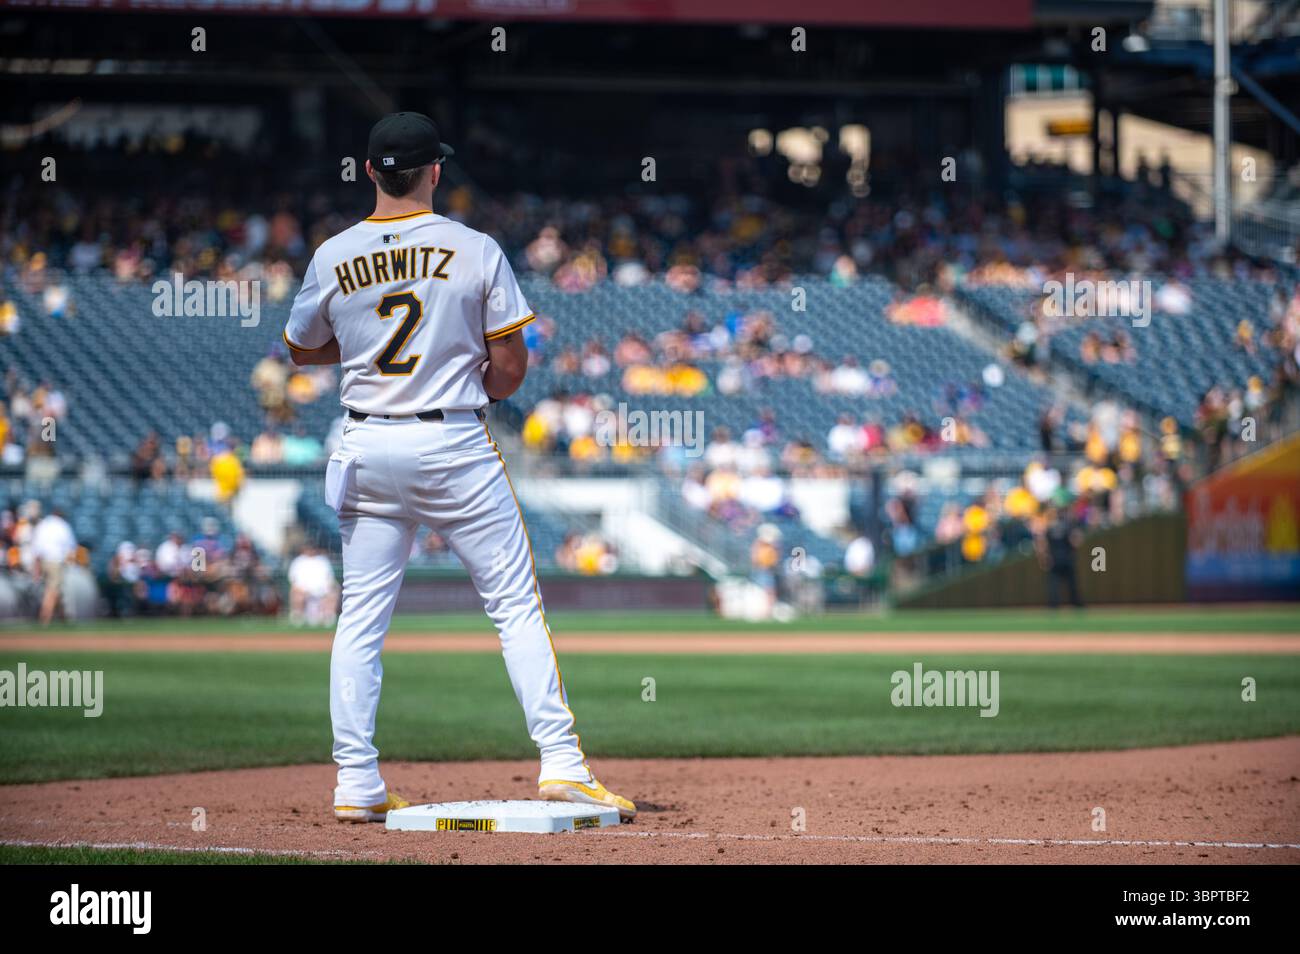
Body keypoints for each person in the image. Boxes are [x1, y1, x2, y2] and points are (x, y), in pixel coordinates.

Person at [283, 112, 634, 823]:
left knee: (361, 621)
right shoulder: (474, 249)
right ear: (435, 171)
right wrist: (465, 361)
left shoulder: (333, 254)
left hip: (365, 442)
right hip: (448, 442)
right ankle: (562, 763)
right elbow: (507, 372)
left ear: (371, 171)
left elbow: (300, 347)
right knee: (512, 605)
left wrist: (361, 347)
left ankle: (356, 781)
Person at [31, 507, 76, 625]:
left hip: (43, 560)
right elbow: (71, 548)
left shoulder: (43, 525)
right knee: (53, 590)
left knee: (56, 591)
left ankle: (63, 618)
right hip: (56, 561)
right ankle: (44, 618)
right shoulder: (63, 525)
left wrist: (36, 569)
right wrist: (70, 564)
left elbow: (36, 549)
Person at [1036, 505, 1084, 610]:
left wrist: (1043, 557)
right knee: (1072, 584)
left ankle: (1053, 605)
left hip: (1054, 559)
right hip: (1067, 558)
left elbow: (1042, 544)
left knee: (1053, 584)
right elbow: (1076, 542)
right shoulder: (1068, 526)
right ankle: (1076, 604)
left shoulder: (1050, 528)